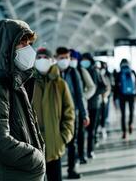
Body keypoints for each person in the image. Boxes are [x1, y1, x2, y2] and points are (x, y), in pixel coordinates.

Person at [0, 20, 45, 181]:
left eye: (29, 43)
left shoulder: (16, 84)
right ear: (7, 48)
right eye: (22, 43)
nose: (28, 48)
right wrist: (36, 159)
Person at [31, 48, 75, 181]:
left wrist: (63, 136)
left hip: (54, 145)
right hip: (33, 145)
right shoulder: (29, 83)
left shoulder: (60, 84)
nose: (42, 60)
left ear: (51, 61)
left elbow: (69, 111)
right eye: (39, 57)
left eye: (45, 57)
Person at [56, 47, 88, 179]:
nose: (64, 60)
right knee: (56, 142)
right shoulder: (53, 72)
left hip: (71, 114)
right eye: (61, 58)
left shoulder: (74, 73)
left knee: (71, 142)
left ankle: (71, 169)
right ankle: (55, 173)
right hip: (56, 114)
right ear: (56, 58)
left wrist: (84, 114)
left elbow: (79, 95)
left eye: (66, 58)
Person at [70, 49, 95, 164]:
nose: (71, 60)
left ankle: (80, 155)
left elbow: (91, 87)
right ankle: (72, 155)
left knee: (80, 132)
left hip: (80, 107)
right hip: (66, 108)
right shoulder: (63, 71)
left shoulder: (81, 70)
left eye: (73, 58)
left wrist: (83, 96)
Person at [80, 53, 106, 158]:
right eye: (83, 59)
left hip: (94, 105)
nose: (84, 62)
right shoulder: (80, 71)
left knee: (91, 130)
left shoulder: (95, 71)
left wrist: (93, 93)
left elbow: (103, 87)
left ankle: (90, 151)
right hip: (83, 105)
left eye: (86, 60)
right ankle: (81, 153)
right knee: (81, 131)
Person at [115, 59, 136, 139]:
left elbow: (116, 86)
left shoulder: (119, 73)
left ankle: (124, 132)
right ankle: (130, 124)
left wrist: (115, 97)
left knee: (123, 114)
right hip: (131, 95)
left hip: (122, 95)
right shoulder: (132, 72)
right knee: (131, 111)